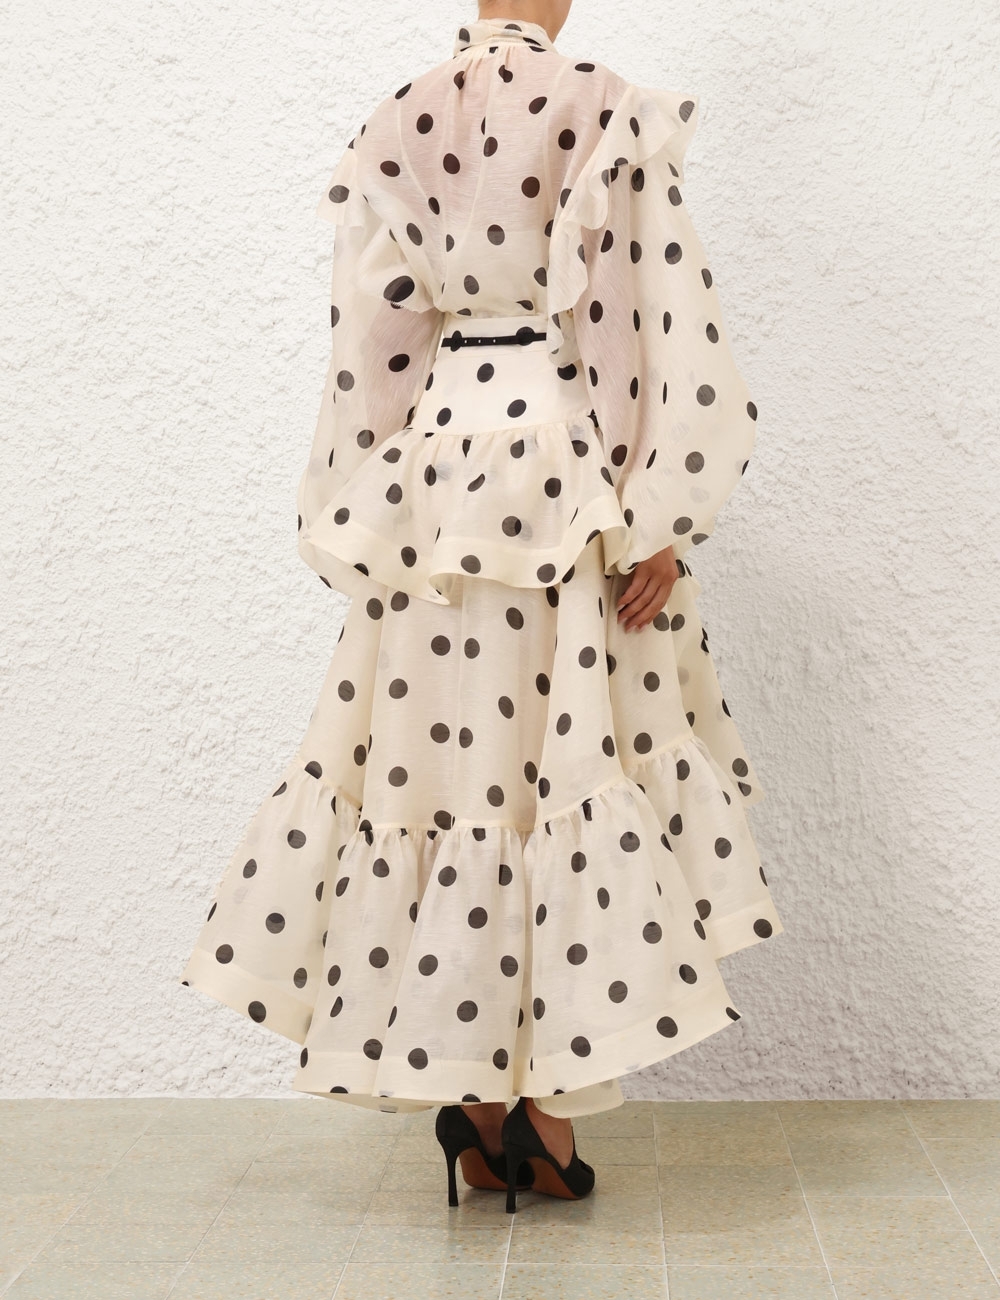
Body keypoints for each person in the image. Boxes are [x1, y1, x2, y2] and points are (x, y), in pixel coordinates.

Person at [179, 0, 785, 1213]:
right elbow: (646, 314)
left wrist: (365, 496)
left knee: (443, 774)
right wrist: (659, 506)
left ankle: (475, 1101)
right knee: (556, 770)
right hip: (562, 470)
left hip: (434, 473)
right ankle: (541, 1111)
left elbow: (369, 345)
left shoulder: (398, 119)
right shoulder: (602, 106)